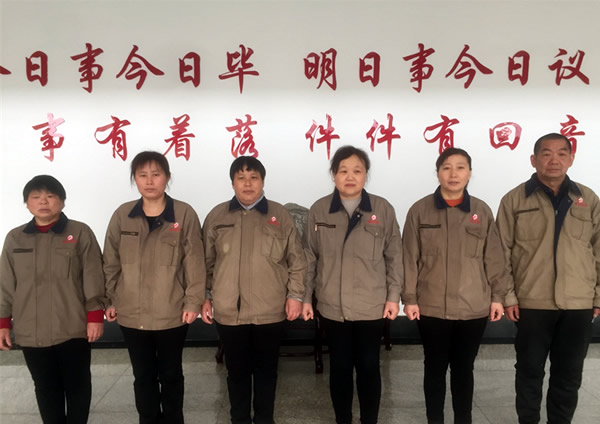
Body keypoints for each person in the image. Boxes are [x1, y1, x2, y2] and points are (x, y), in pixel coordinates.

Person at [496, 133, 600, 424]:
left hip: (577, 303)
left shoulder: (588, 199)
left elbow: (598, 250)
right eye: (546, 153)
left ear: (571, 159)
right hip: (531, 302)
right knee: (529, 372)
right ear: (533, 159)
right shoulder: (515, 199)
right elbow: (500, 252)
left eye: (561, 153)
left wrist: (597, 296)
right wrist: (508, 296)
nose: (554, 160)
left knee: (569, 374)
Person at [401, 147, 507, 424]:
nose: (453, 174)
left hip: (473, 307)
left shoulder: (481, 211)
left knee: (464, 368)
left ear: (469, 173)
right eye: (446, 167)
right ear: (437, 173)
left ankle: (464, 419)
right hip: (431, 306)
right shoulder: (419, 210)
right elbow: (409, 258)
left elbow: (494, 257)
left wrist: (498, 297)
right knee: (434, 368)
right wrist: (409, 298)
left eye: (460, 167)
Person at [302, 145, 403, 424]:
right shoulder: (320, 210)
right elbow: (308, 257)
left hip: (371, 305)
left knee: (369, 367)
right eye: (343, 170)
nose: (350, 176)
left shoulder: (382, 209)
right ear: (333, 174)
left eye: (357, 171)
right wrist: (305, 298)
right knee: (340, 368)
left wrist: (394, 296)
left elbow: (395, 256)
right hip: (332, 306)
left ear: (366, 175)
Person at [201, 156, 306, 424]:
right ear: (232, 183)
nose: (247, 183)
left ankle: (264, 419)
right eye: (241, 178)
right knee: (236, 373)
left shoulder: (280, 215)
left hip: (270, 310)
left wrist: (295, 296)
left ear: (262, 181)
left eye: (253, 177)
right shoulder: (217, 216)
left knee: (266, 372)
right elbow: (205, 263)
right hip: (229, 311)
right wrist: (205, 297)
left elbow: (297, 261)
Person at [103, 151, 205, 424]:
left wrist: (193, 301)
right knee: (143, 375)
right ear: (134, 179)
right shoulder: (122, 215)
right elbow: (110, 262)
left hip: (172, 312)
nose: (149, 181)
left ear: (167, 178)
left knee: (171, 374)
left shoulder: (183, 213)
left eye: (156, 174)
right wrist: (111, 299)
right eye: (142, 175)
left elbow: (195, 262)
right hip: (131, 313)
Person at [0, 175, 105, 424]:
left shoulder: (79, 232)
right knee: (45, 386)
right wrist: (3, 322)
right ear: (27, 203)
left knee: (77, 385)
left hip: (72, 326)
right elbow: (5, 284)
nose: (43, 202)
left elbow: (93, 275)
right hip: (30, 329)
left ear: (63, 201)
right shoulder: (15, 238)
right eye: (36, 197)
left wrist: (95, 315)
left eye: (50, 196)